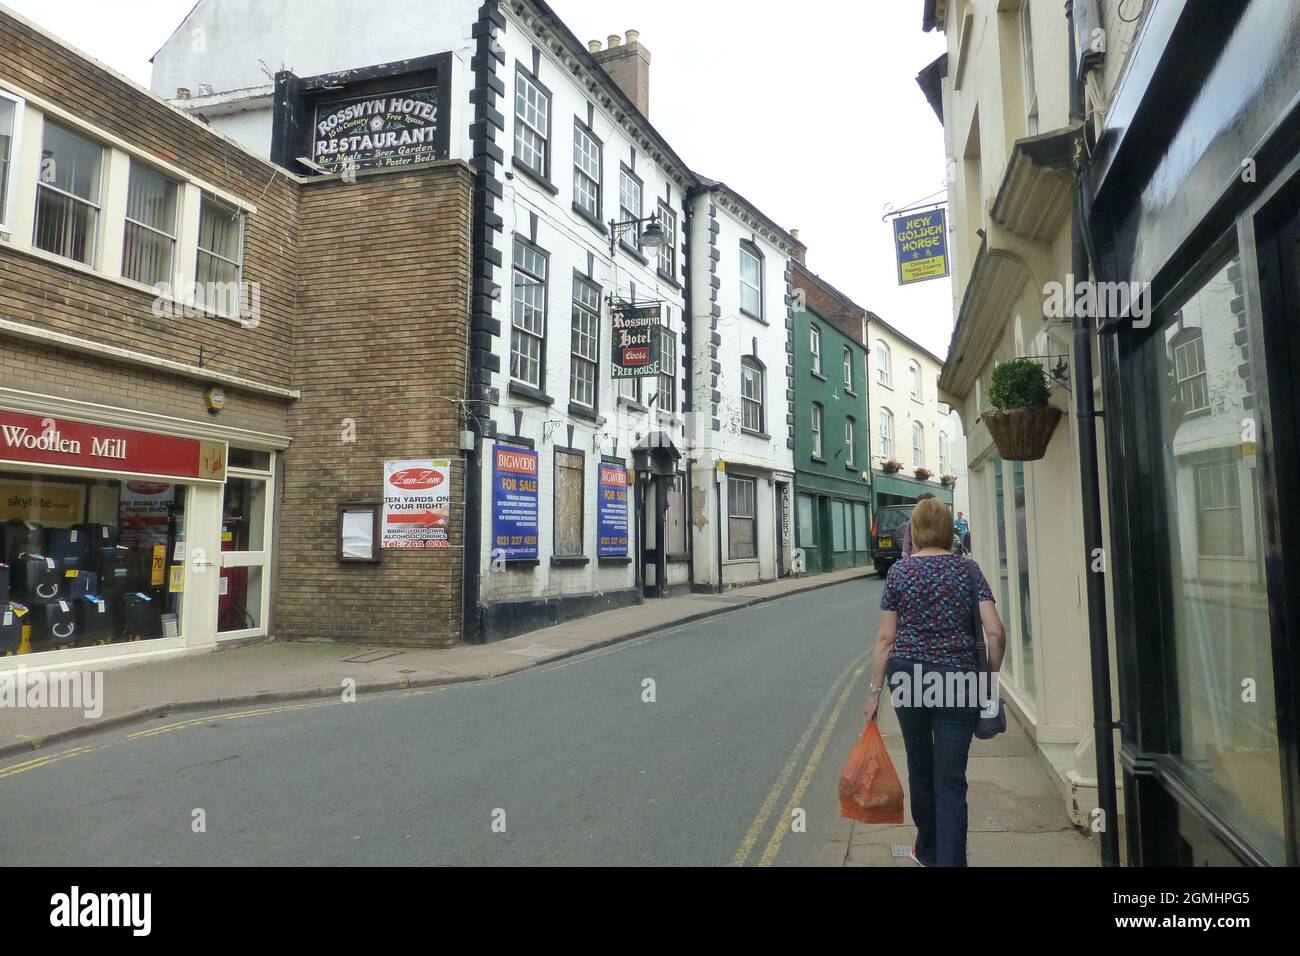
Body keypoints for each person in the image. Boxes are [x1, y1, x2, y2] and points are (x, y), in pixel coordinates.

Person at [864, 497, 1006, 867]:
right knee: (951, 780)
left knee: (921, 769)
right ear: (946, 530)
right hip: (959, 682)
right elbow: (996, 633)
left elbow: (885, 639)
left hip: (910, 680)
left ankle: (926, 850)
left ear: (914, 530)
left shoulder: (899, 572)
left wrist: (874, 693)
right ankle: (951, 861)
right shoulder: (968, 571)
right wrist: (987, 683)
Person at [898, 492, 936, 559]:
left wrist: (906, 558)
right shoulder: (939, 520)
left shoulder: (913, 520)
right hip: (935, 557)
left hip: (916, 557)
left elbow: (907, 542)